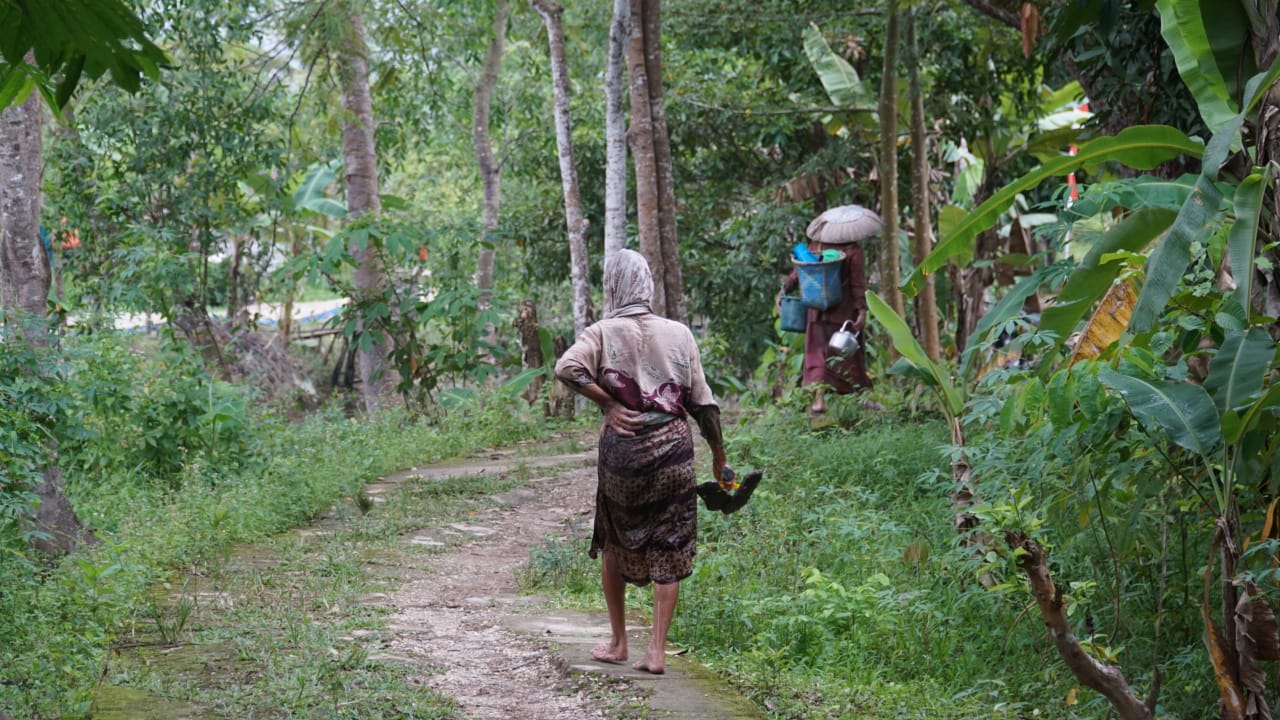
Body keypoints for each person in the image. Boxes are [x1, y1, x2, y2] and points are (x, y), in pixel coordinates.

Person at [554, 248, 727, 675]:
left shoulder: (601, 332)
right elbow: (703, 404)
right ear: (647, 285)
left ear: (612, 286)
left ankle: (618, 643)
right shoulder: (679, 333)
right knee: (670, 541)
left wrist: (609, 404)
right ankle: (656, 651)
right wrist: (719, 457)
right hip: (673, 453)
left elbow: (567, 368)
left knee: (614, 538)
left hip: (624, 454)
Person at [778, 232, 872, 415]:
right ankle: (862, 399)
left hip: (816, 311)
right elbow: (858, 284)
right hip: (844, 313)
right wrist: (861, 310)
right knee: (850, 356)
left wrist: (783, 291)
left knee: (817, 356)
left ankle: (818, 400)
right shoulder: (853, 251)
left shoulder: (816, 246)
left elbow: (798, 273)